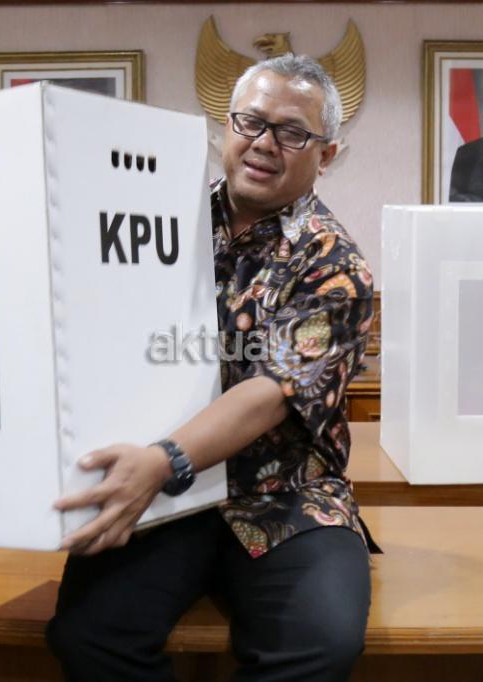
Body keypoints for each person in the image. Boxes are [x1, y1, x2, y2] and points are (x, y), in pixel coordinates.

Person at [45, 54, 376, 682]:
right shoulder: (158, 221)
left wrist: (164, 459)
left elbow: (270, 392)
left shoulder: (336, 266)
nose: (264, 143)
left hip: (286, 496)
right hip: (167, 498)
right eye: (251, 121)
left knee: (322, 645)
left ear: (326, 154)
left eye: (292, 132)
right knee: (87, 636)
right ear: (226, 126)